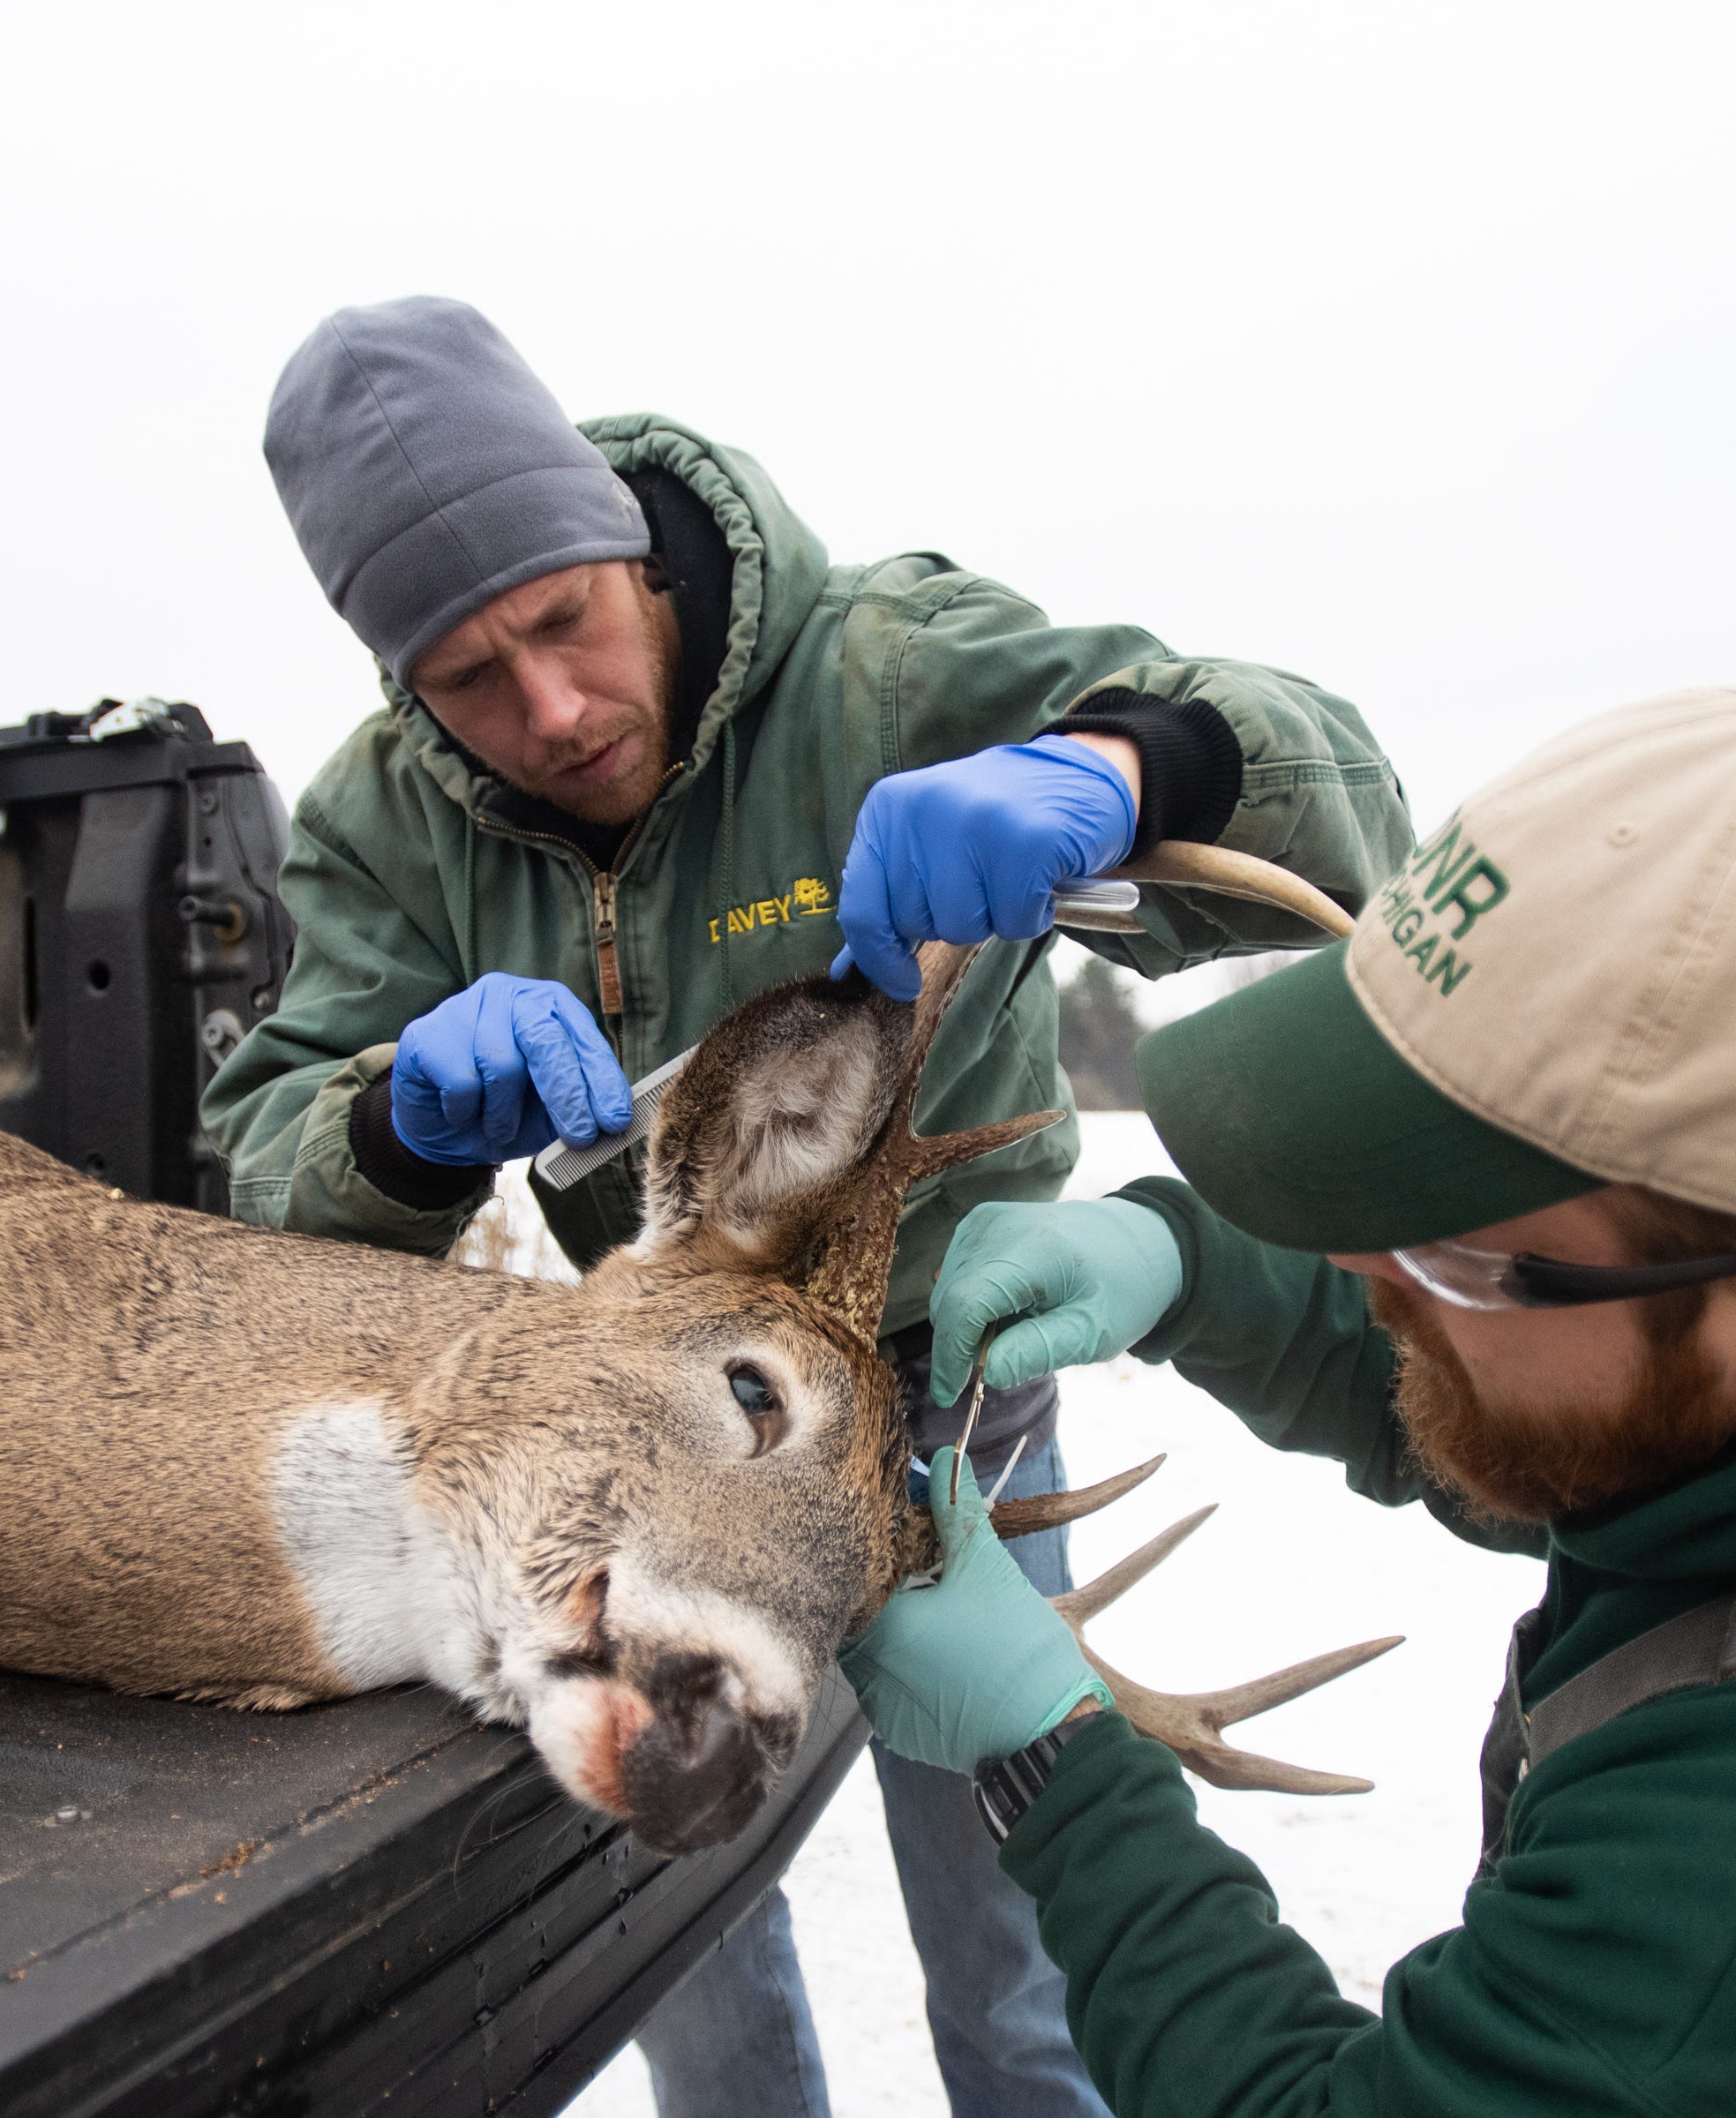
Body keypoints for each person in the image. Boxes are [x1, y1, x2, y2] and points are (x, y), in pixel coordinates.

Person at [202, 295, 1413, 2118]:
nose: (547, 711)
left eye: (563, 624)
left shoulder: (885, 667)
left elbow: (1343, 813)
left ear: (620, 543)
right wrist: (401, 1124)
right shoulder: (389, 821)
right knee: (673, 1941)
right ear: (398, 686)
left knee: (1019, 1958)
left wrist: (1118, 772)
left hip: (956, 1402)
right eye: (466, 678)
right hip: (653, 1440)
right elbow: (268, 1148)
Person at [843, 688, 1736, 2115]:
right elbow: (1577, 1433)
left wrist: (1053, 1763)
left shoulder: (1702, 1909)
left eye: (1456, 1241)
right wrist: (1186, 1263)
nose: (1359, 1266)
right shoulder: (1670, 1411)